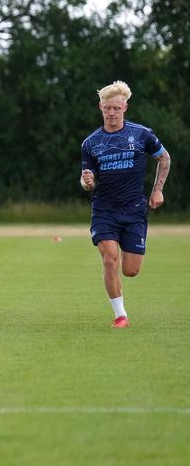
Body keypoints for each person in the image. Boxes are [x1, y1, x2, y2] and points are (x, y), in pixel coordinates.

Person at [80, 81, 170, 329]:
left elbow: (164, 157)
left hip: (134, 210)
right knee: (110, 260)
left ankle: (132, 251)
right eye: (107, 108)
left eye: (116, 108)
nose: (111, 113)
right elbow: (88, 182)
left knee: (130, 270)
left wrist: (158, 189)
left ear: (125, 107)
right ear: (100, 107)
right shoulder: (91, 143)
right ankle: (121, 316)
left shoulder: (142, 134)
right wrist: (87, 181)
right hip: (104, 210)